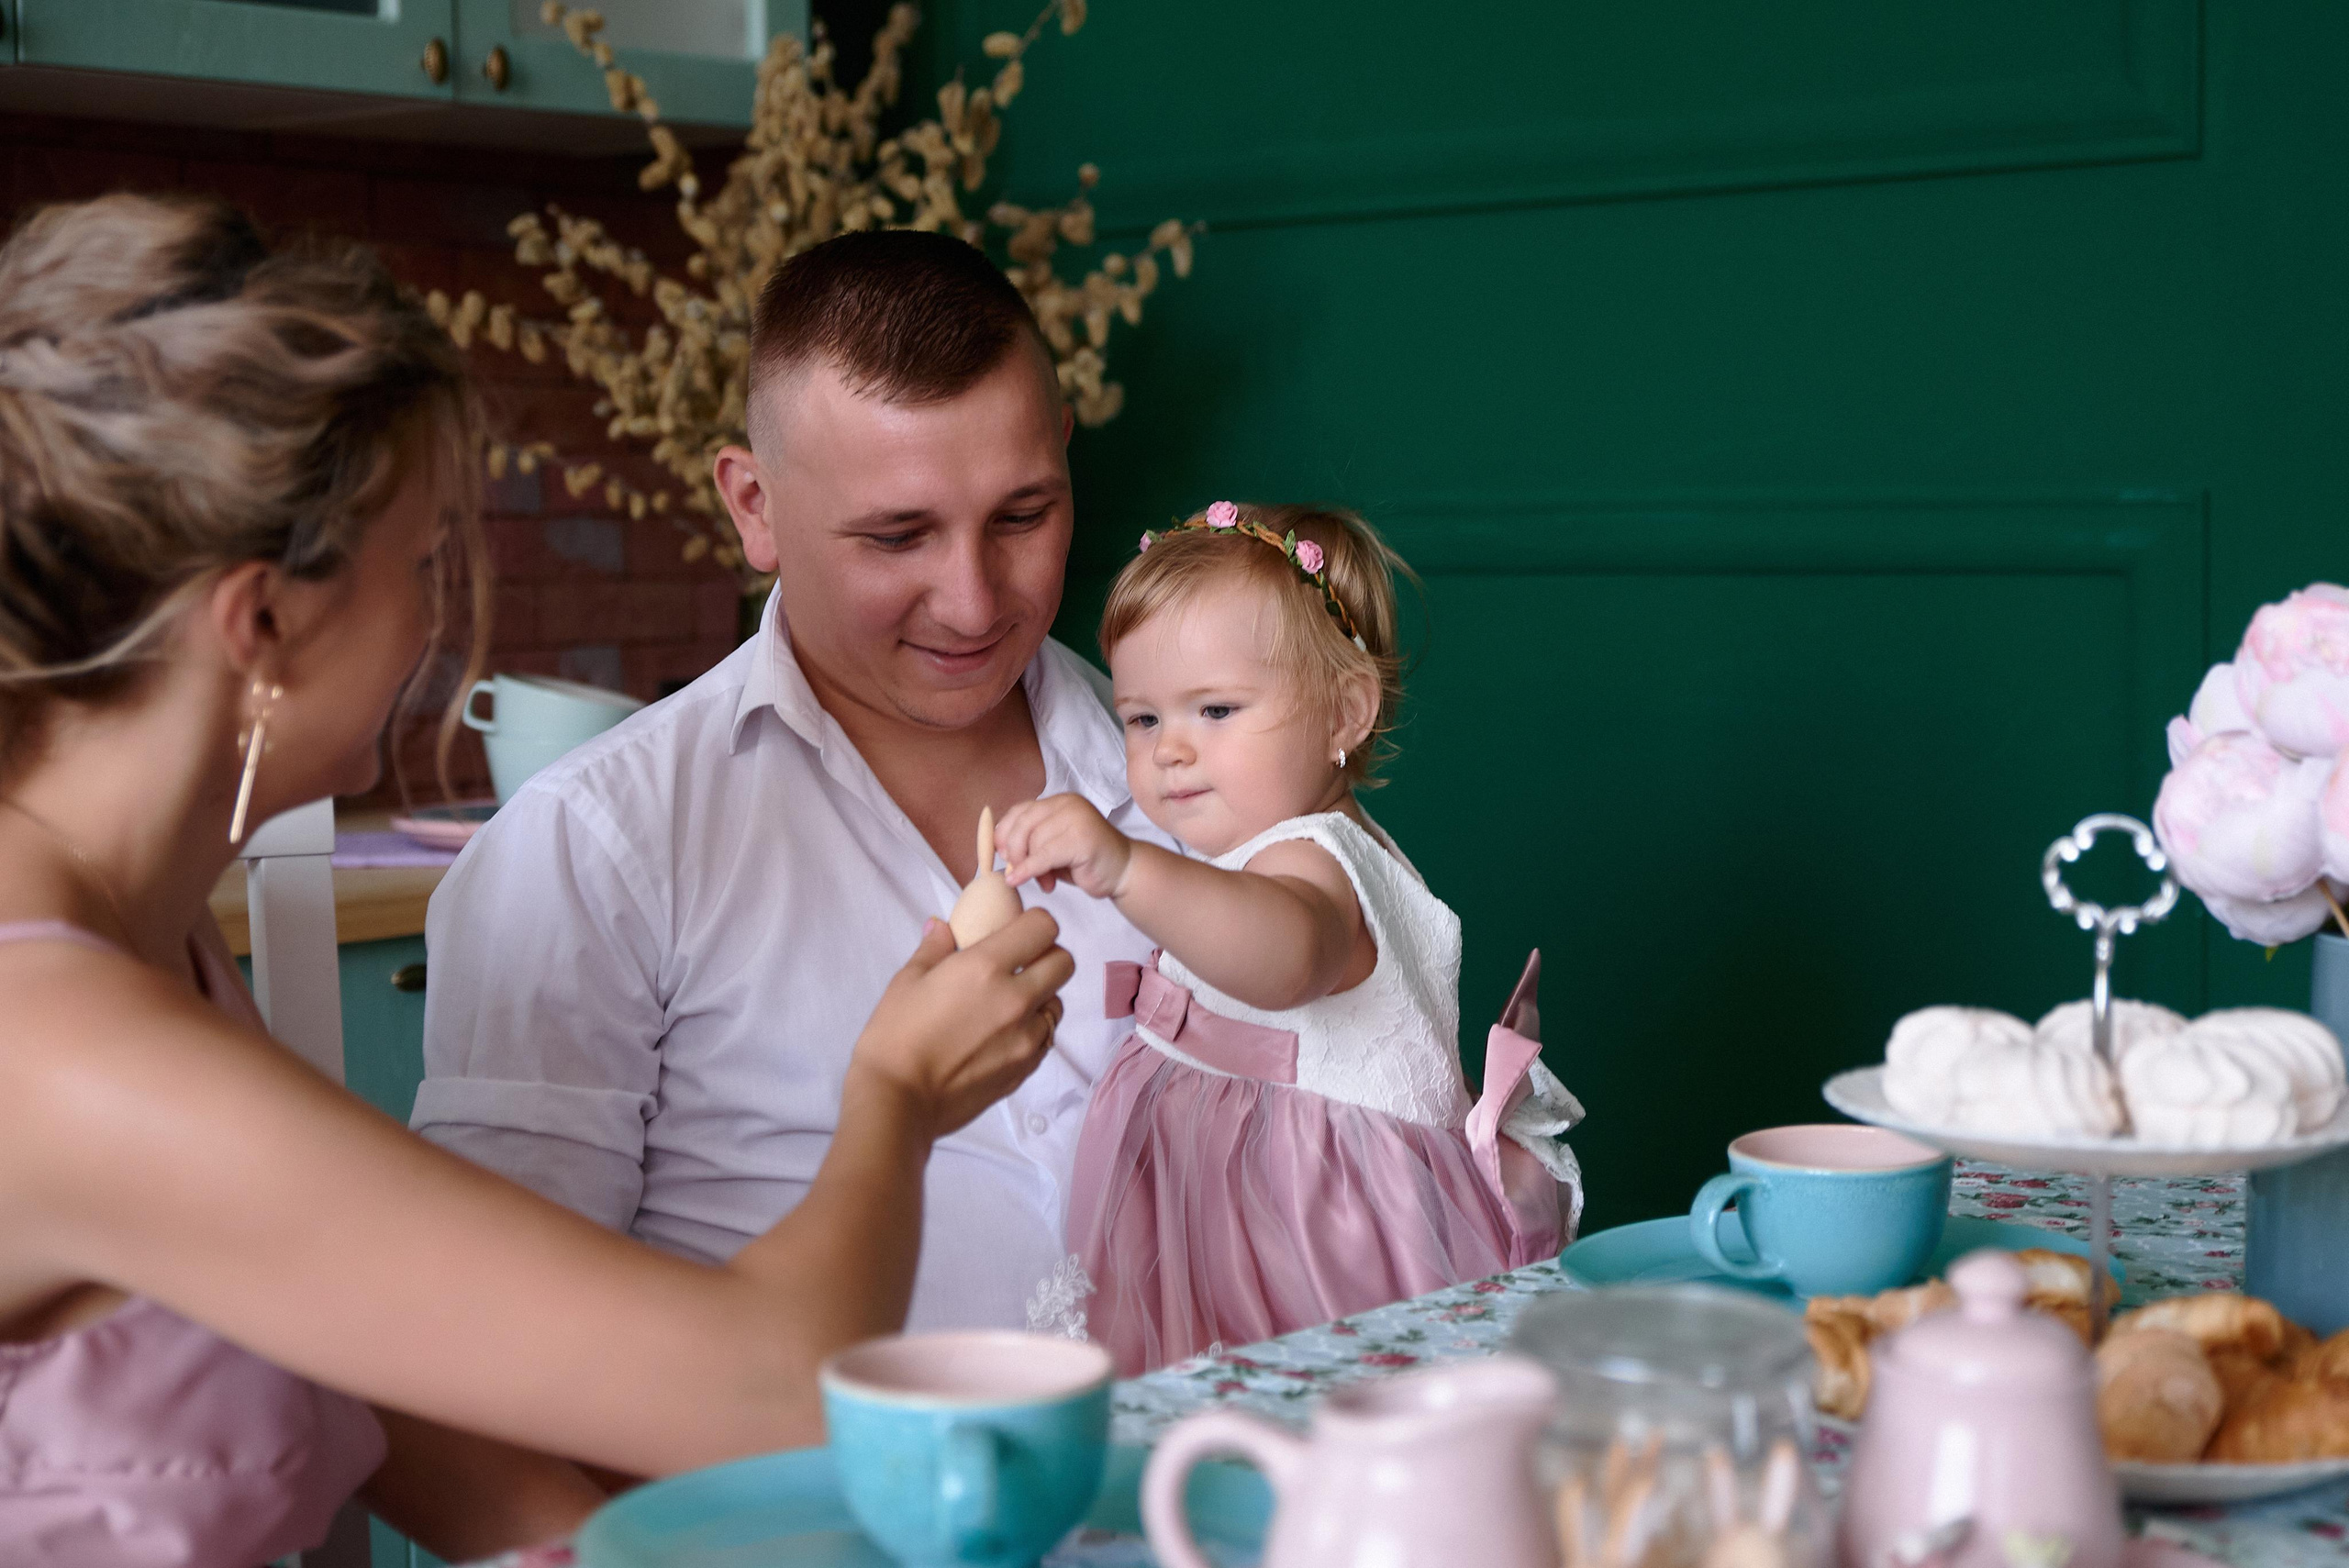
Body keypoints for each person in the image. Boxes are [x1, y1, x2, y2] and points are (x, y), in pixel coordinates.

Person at [0, 194, 1070, 1565]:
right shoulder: (66, 1047)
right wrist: (897, 1100)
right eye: (425, 559)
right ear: (262, 623)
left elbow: (384, 1358)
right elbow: (777, 1387)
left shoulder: (135, 940)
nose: (447, 613)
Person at [411, 229, 1176, 1333]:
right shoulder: (594, 844)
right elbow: (486, 1346)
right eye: (896, 534)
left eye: (1022, 515)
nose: (972, 600)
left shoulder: (1200, 775)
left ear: (1063, 453)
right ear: (754, 505)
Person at [996, 501, 1586, 1373]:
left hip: (1307, 1241)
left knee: (1316, 1418)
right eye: (1143, 718)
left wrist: (1125, 866)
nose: (1171, 752)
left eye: (1217, 710)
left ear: (1345, 714)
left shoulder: (1318, 865)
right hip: (1216, 1224)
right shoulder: (1260, 850)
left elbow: (1282, 958)